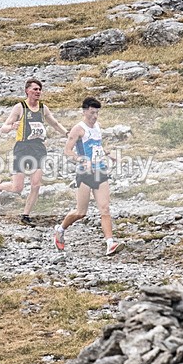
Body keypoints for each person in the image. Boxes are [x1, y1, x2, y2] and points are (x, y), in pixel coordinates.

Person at [0, 78, 68, 226]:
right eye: (35, 89)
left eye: (39, 89)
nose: (38, 92)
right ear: (27, 91)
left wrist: (68, 135)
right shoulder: (20, 107)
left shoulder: (43, 108)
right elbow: (3, 128)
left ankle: (25, 215)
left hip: (38, 148)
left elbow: (55, 123)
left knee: (36, 184)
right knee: (17, 188)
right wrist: (12, 126)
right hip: (22, 148)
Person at [53, 97, 124, 255]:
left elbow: (96, 146)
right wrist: (81, 159)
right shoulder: (78, 129)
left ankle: (110, 243)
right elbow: (68, 151)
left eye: (97, 112)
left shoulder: (97, 127)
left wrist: (109, 154)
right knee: (81, 212)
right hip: (84, 173)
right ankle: (60, 229)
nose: (95, 116)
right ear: (84, 111)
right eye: (92, 112)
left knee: (105, 208)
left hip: (100, 171)